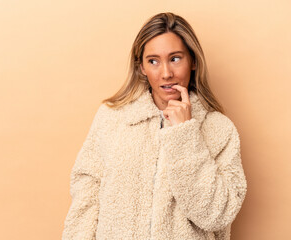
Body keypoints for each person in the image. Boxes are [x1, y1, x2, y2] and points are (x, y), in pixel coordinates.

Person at [62, 12, 247, 240]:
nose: (166, 73)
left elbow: (216, 214)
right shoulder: (113, 118)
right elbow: (85, 201)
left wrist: (184, 133)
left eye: (175, 58)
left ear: (193, 61)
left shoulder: (220, 129)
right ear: (141, 67)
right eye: (153, 61)